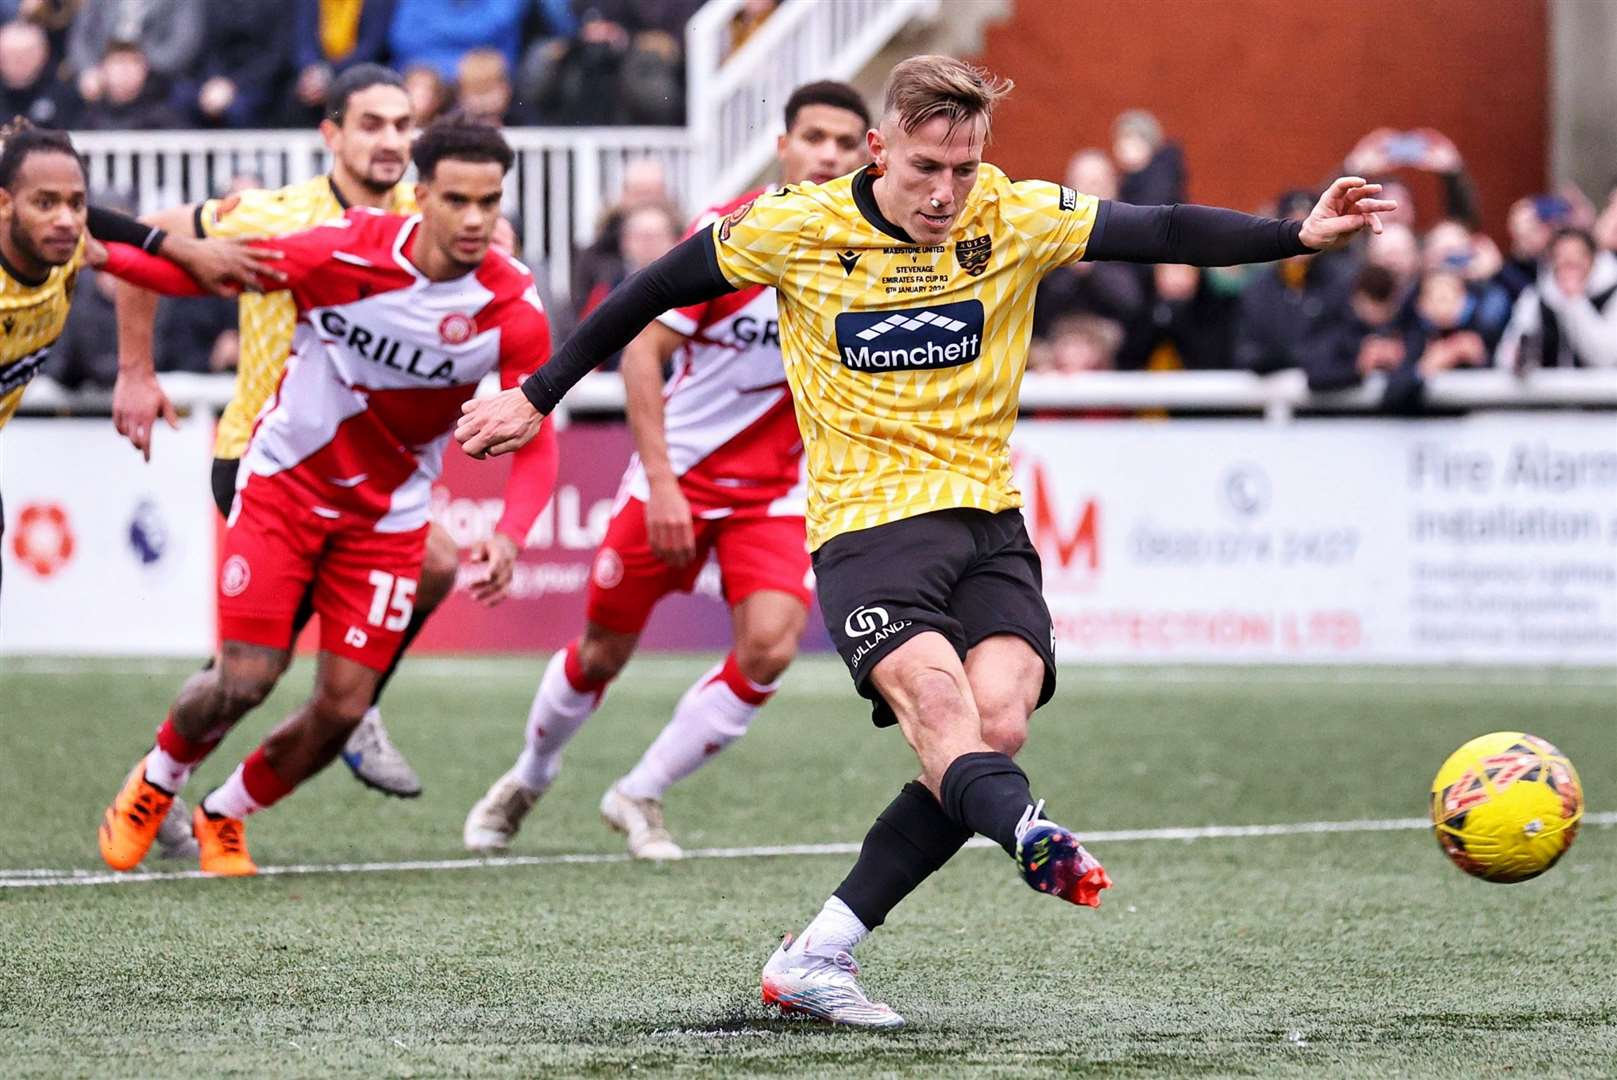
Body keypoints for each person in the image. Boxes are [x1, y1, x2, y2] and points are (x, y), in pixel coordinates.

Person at [456, 55, 1393, 1028]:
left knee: (999, 730)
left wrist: (1296, 232)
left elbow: (1156, 230)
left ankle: (819, 953)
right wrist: (537, 394)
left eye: (963, 167)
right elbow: (645, 292)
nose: (946, 193)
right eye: (924, 169)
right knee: (945, 721)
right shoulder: (795, 227)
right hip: (867, 530)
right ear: (878, 149)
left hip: (989, 522)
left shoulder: (1010, 212)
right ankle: (1029, 831)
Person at [96, 116, 559, 878]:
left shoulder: (511, 306)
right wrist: (90, 242)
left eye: (489, 201)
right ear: (420, 196)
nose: (475, 219)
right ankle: (156, 782)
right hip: (282, 486)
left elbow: (534, 433)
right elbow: (192, 272)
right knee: (246, 677)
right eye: (457, 200)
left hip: (388, 519)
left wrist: (510, 532)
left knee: (344, 709)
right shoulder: (341, 247)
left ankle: (226, 814)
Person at [463, 78, 870, 860]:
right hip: (676, 473)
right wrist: (660, 484)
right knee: (599, 654)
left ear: (867, 155)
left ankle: (639, 791)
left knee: (772, 645)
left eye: (844, 142)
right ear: (782, 146)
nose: (827, 154)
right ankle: (529, 774)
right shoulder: (735, 233)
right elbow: (644, 352)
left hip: (776, 492)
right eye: (812, 138)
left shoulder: (880, 255)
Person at [111, 65, 456, 799]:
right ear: (330, 134)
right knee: (247, 676)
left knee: (433, 567)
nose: (391, 140)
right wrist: (136, 370)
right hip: (262, 461)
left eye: (402, 126)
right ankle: (159, 782)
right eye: (371, 124)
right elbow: (140, 249)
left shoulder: (426, 221)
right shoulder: (273, 215)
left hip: (364, 472)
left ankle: (355, 708)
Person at [0, 119, 273, 602]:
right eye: (45, 202)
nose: (65, 218)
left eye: (76, 203)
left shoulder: (74, 246)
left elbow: (125, 246)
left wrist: (181, 249)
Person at [1496, 227, 1617, 371]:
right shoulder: (1536, 298)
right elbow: (1507, 355)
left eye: (1578, 255)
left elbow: (1605, 358)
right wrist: (1517, 357)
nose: (1569, 263)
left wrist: (1576, 301)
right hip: (1549, 391)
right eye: (1562, 256)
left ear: (1593, 259)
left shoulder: (1611, 294)